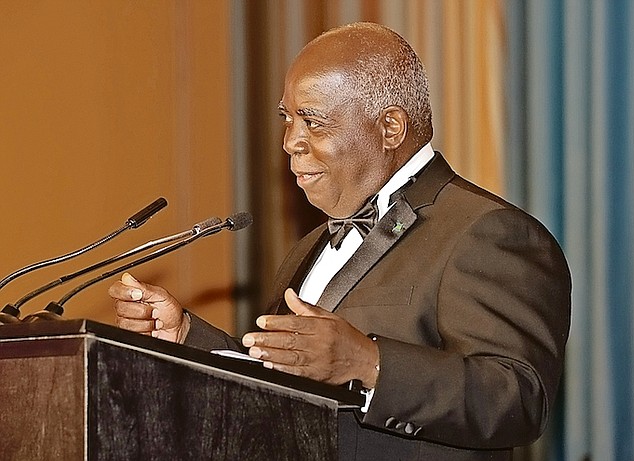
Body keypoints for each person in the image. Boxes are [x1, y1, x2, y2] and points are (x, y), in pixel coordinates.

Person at [109, 22, 571, 460]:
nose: (290, 142)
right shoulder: (307, 247)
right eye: (287, 120)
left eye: (313, 122)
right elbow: (276, 383)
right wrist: (187, 337)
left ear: (390, 128)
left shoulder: (486, 232)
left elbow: (519, 396)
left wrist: (369, 362)